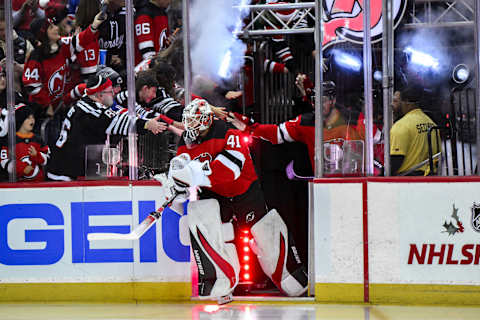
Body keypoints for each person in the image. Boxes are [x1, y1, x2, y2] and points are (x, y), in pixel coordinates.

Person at [166, 98, 308, 300]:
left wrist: (193, 174)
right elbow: (183, 170)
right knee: (203, 221)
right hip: (215, 193)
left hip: (244, 190)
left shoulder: (228, 132)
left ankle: (291, 277)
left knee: (265, 231)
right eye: (189, 121)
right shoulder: (187, 140)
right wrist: (179, 184)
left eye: (195, 121)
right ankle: (218, 282)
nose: (191, 126)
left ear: (206, 120)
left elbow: (230, 169)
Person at [47, 74, 168, 181]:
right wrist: (146, 124)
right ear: (100, 95)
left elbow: (119, 113)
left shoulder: (89, 103)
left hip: (70, 168)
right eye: (110, 91)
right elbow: (118, 121)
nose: (113, 93)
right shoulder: (92, 112)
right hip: (63, 173)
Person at [23, 9, 106, 115]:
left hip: (58, 106)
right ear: (43, 33)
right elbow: (32, 86)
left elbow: (81, 40)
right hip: (40, 110)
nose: (56, 28)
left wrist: (94, 26)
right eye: (51, 27)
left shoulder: (62, 45)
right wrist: (47, 105)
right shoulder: (36, 56)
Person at [390, 86, 439, 176]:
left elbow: (396, 159)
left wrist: (382, 176)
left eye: (397, 101)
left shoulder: (401, 125)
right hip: (430, 177)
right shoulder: (431, 123)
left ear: (407, 102)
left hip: (407, 179)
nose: (392, 105)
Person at [0, 104, 50, 182]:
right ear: (20, 119)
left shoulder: (38, 139)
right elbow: (4, 160)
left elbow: (48, 158)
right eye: (28, 118)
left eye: (33, 117)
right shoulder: (10, 140)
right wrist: (21, 168)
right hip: (17, 186)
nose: (32, 120)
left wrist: (37, 155)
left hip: (39, 185)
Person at [134, 0, 171, 64]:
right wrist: (153, 64)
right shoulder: (144, 14)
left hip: (158, 64)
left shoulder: (163, 12)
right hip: (144, 68)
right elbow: (146, 47)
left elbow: (163, 41)